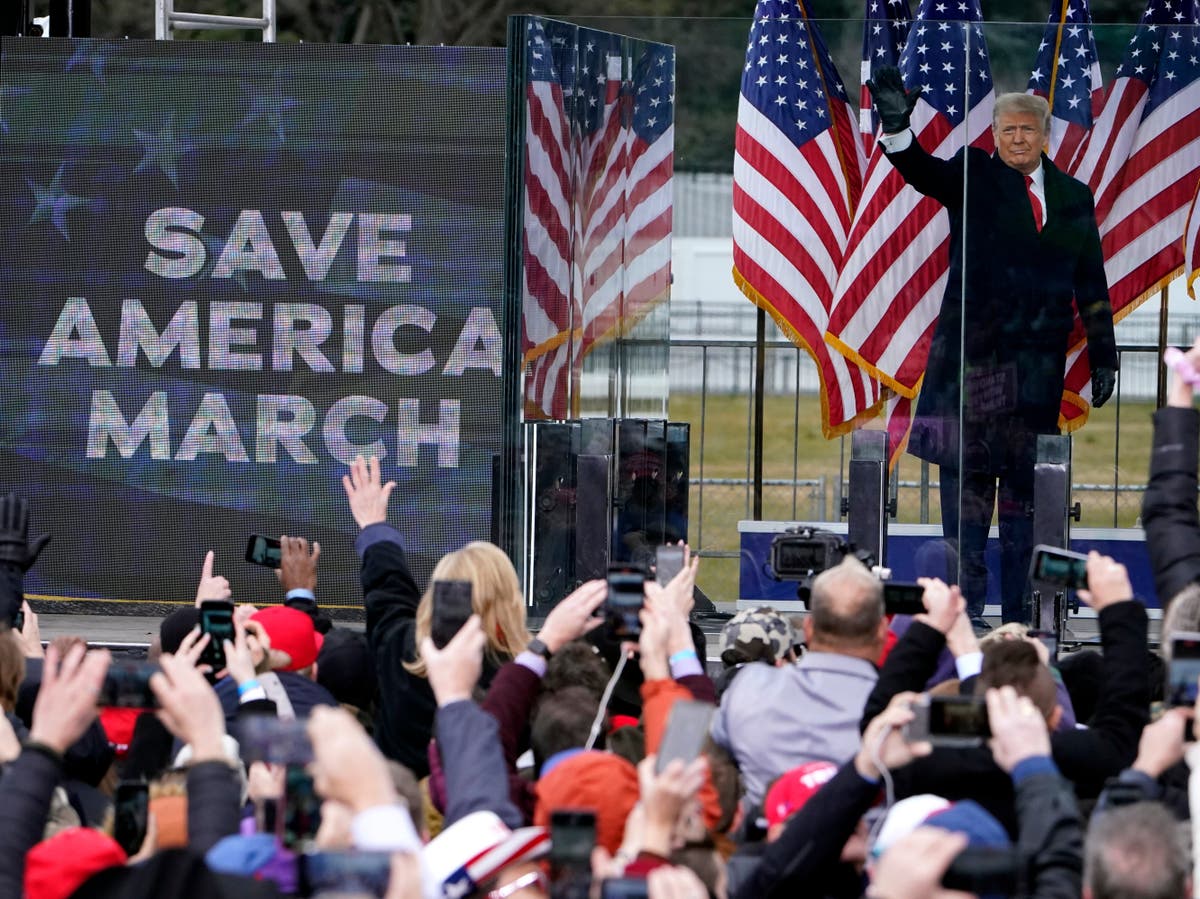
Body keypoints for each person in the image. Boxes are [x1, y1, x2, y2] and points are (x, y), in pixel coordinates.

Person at [866, 66, 1118, 625]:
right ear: (995, 135)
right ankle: (966, 617)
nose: (1016, 139)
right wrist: (895, 128)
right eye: (1007, 131)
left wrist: (1104, 355)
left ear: (1045, 136)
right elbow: (921, 172)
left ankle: (1027, 618)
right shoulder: (973, 176)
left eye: (1027, 131)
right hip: (972, 373)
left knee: (1026, 508)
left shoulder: (1076, 196)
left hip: (1036, 382)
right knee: (968, 506)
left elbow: (1092, 284)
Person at [711, 556, 886, 812]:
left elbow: (690, 756)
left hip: (763, 840)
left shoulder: (748, 689)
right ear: (882, 631)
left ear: (810, 629)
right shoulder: (900, 714)